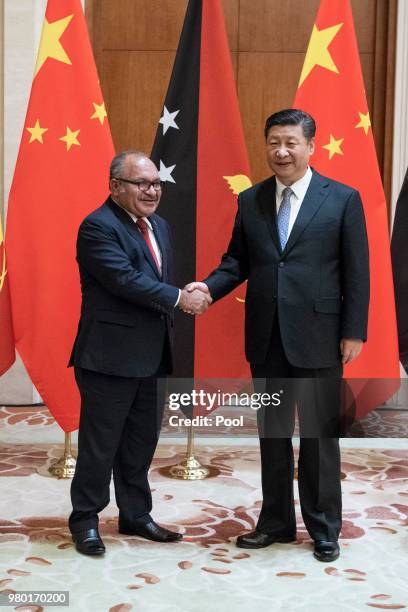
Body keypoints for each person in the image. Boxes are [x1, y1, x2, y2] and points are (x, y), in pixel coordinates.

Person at [186, 109, 369, 562]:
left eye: (290, 142)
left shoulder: (343, 198)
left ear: (311, 146)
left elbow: (358, 272)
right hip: (267, 338)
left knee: (320, 437)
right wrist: (208, 287)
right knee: (271, 434)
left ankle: (325, 528)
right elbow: (237, 262)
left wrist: (353, 331)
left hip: (322, 336)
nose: (280, 151)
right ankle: (275, 523)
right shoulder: (251, 200)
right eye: (273, 142)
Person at [68, 151, 210, 555]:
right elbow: (124, 280)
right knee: (101, 445)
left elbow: (154, 279)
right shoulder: (98, 226)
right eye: (141, 183)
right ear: (114, 186)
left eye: (156, 184)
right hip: (109, 358)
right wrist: (180, 298)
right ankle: (85, 521)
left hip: (151, 355)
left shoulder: (159, 226)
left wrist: (188, 291)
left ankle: (135, 515)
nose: (151, 191)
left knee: (140, 443)